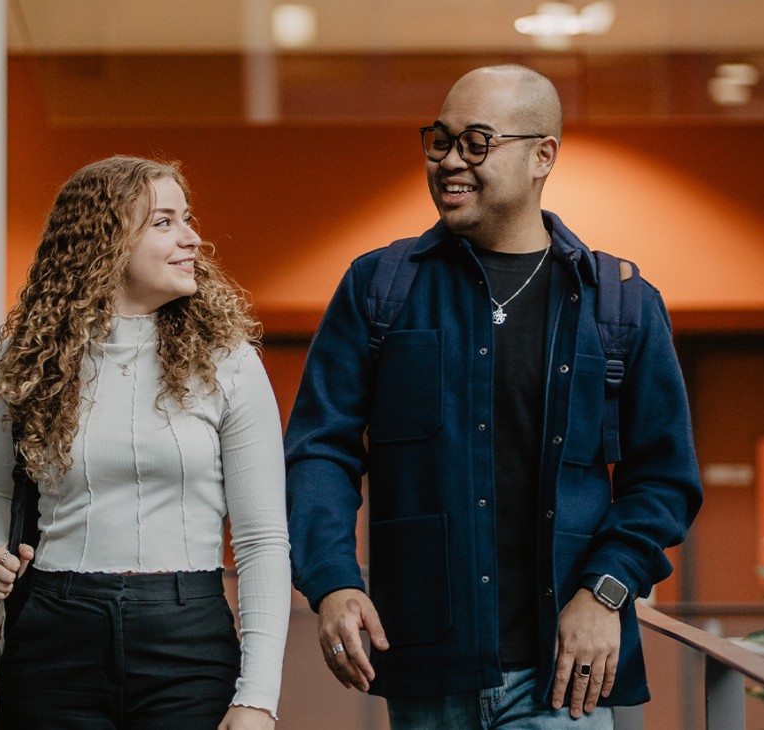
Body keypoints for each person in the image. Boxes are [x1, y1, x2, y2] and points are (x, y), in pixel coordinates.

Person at [284, 65, 702, 728]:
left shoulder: (619, 304)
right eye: (439, 141)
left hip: (565, 682)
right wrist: (332, 578)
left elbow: (663, 481)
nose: (450, 161)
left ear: (543, 156)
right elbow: (319, 450)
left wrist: (607, 592)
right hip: (429, 669)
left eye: (476, 143)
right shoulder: (379, 289)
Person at [0, 156, 289, 728]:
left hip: (188, 638)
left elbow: (262, 541)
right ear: (104, 242)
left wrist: (258, 697)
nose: (193, 238)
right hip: (52, 636)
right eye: (164, 223)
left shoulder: (230, 362)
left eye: (187, 219)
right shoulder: (29, 360)